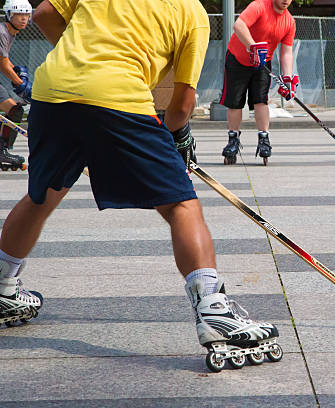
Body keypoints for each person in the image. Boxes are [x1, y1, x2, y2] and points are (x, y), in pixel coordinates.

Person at [0, 0, 281, 372]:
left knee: (42, 195)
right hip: (119, 100)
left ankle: (3, 287)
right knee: (181, 204)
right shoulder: (191, 12)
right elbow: (182, 100)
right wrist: (176, 138)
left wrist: (77, 55)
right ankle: (214, 311)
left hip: (54, 91)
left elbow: (45, 13)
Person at [220, 0, 297, 165]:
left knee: (261, 100)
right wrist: (252, 46)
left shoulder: (289, 21)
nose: (286, 0)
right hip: (238, 59)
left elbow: (286, 52)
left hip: (263, 63)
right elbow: (239, 25)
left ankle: (264, 139)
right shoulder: (259, 6)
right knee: (235, 102)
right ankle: (233, 140)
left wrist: (287, 78)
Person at [0, 0, 32, 171]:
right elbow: (3, 64)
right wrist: (22, 85)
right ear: (9, 15)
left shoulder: (10, 33)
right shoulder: (2, 32)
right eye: (18, 15)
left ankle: (1, 150)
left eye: (26, 14)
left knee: (14, 110)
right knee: (13, 110)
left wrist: (16, 72)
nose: (23, 19)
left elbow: (5, 62)